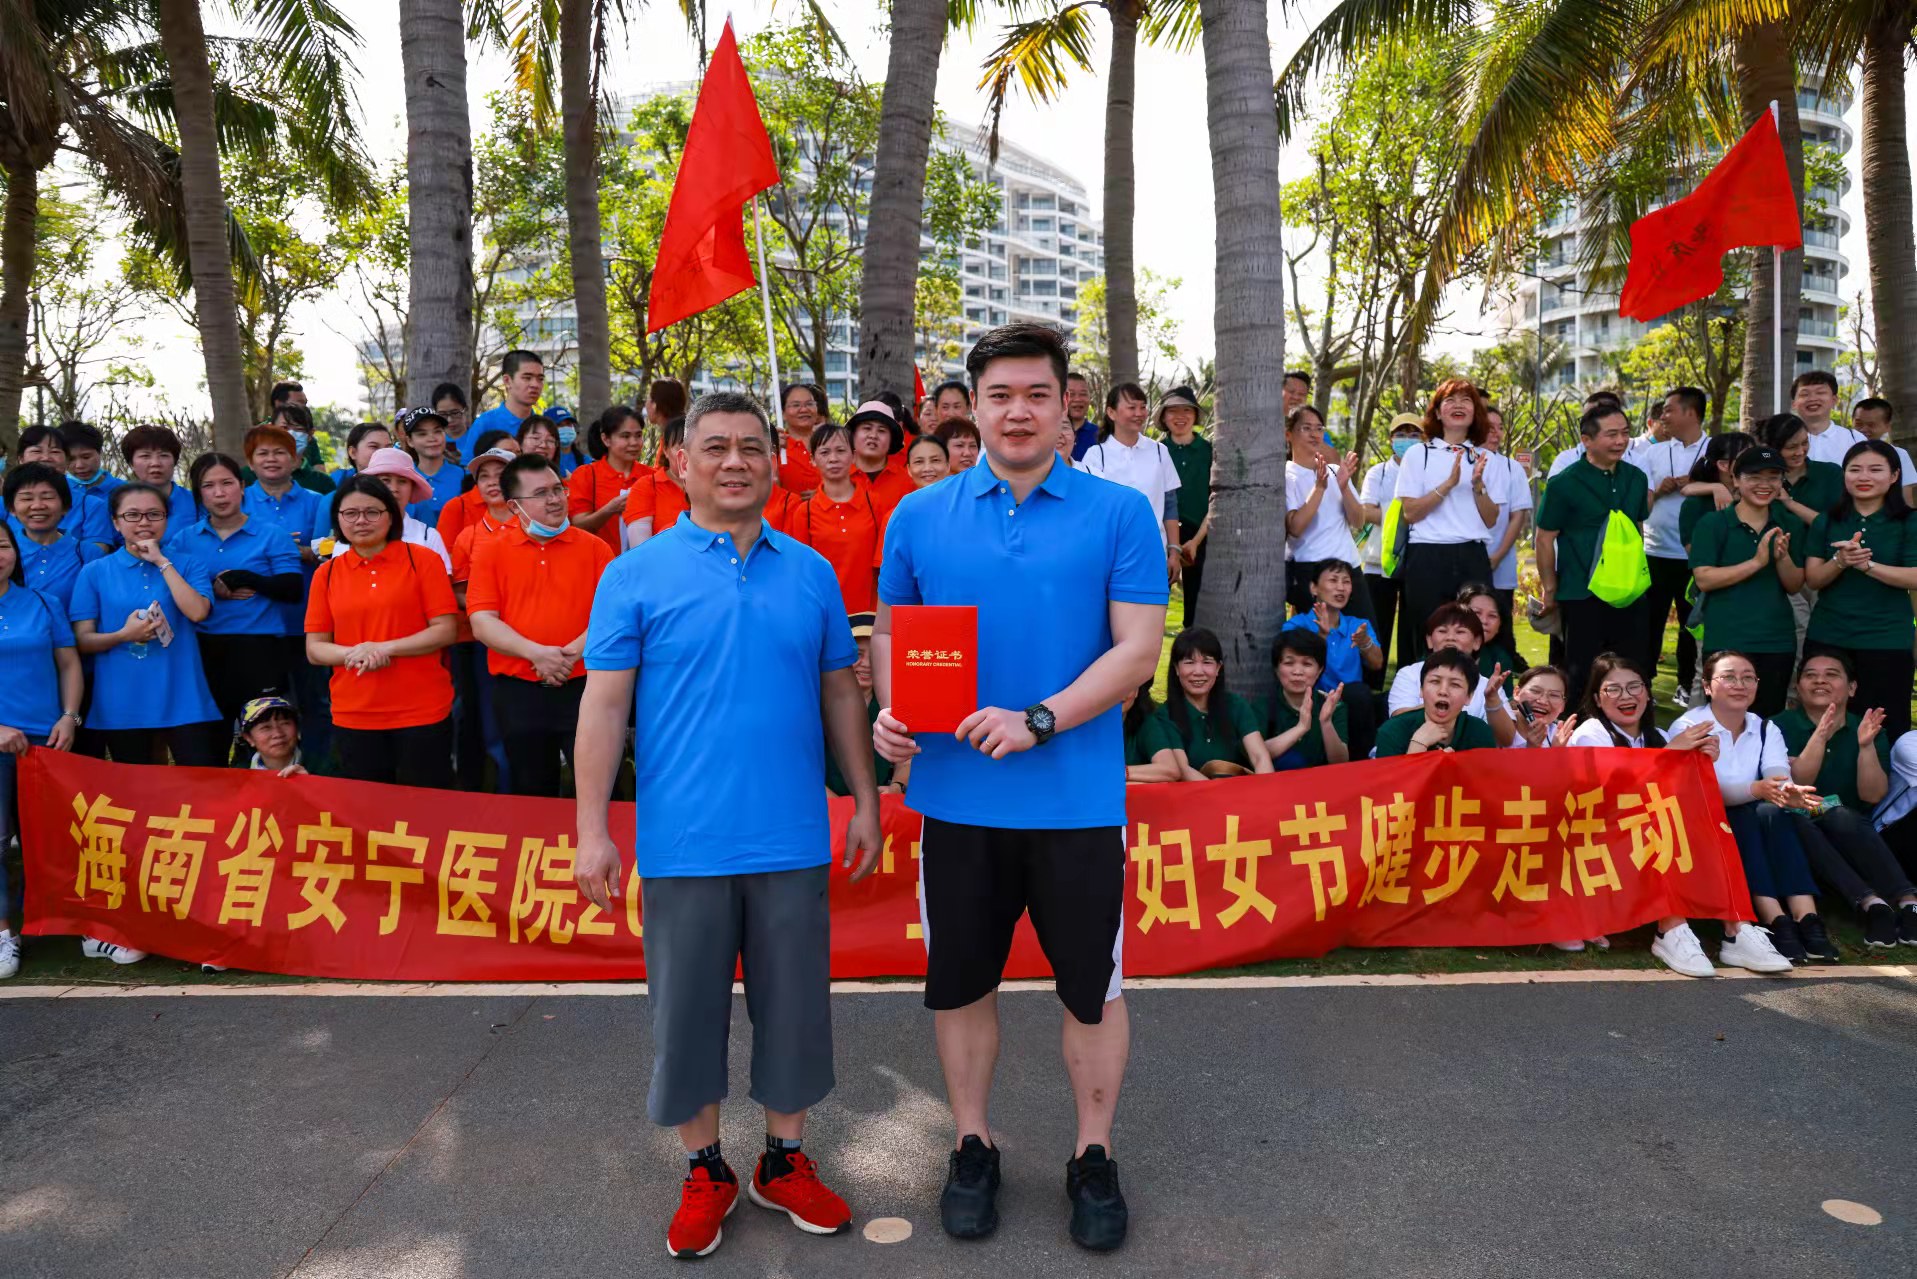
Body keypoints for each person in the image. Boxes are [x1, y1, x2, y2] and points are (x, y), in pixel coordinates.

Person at [872, 322, 1167, 1251]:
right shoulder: (919, 515)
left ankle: (1092, 1152)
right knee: (961, 983)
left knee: (1091, 988)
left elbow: (1136, 650)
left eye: (1037, 393)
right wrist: (889, 714)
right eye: (999, 395)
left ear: (1064, 405)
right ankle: (971, 1142)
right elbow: (894, 635)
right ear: (971, 406)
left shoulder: (1118, 513)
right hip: (956, 802)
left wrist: (1038, 718)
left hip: (1076, 801)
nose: (1017, 411)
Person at [573, 390, 879, 1259]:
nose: (734, 461)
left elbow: (839, 691)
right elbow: (604, 706)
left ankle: (783, 1159)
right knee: (686, 1015)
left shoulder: (811, 572)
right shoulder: (633, 573)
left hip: (791, 833)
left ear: (775, 461)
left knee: (795, 1009)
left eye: (751, 446)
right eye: (714, 447)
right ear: (679, 463)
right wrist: (591, 829)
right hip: (685, 841)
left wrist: (864, 797)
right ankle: (704, 1167)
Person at [1561, 653, 1793, 975]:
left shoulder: (1658, 735)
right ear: (1598, 699)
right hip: (1602, 840)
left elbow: (1682, 790)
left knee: (1711, 822)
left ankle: (1737, 929)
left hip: (1651, 833)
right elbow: (1612, 796)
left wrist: (1703, 762)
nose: (1626, 696)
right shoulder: (1591, 732)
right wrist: (1673, 754)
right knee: (1658, 822)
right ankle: (1670, 929)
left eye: (1634, 687)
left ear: (1647, 693)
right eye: (1613, 689)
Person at [1670, 650, 1834, 963]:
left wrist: (1788, 791)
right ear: (1707, 686)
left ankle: (1805, 918)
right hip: (1703, 818)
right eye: (1729, 677)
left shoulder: (1764, 727)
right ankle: (1775, 919)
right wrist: (1757, 789)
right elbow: (1703, 792)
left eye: (1748, 678)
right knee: (1750, 815)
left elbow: (1778, 776)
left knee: (1771, 811)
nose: (1740, 685)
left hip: (1757, 813)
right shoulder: (1689, 726)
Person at [467, 454, 614, 798]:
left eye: (557, 489)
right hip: (519, 691)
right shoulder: (491, 551)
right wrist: (536, 654)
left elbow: (613, 618)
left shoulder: (595, 548)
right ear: (514, 506)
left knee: (597, 788)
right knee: (531, 789)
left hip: (586, 686)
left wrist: (569, 655)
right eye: (541, 493)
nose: (555, 499)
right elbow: (482, 621)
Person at [304, 476, 459, 787]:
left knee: (428, 805)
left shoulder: (422, 560)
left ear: (391, 515)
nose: (361, 521)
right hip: (354, 712)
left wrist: (385, 648)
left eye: (372, 512)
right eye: (350, 513)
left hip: (421, 710)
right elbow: (315, 648)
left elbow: (445, 630)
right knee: (367, 808)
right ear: (337, 519)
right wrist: (357, 653)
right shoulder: (327, 574)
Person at [70, 483, 223, 766]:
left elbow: (198, 612)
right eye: (132, 515)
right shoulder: (95, 571)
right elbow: (82, 640)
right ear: (116, 522)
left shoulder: (188, 564)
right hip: (122, 699)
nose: (144, 522)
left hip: (183, 695)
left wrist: (162, 562)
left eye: (154, 514)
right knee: (136, 788)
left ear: (167, 519)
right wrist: (123, 635)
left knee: (200, 782)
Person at [1777, 652, 1917, 948]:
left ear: (1852, 688)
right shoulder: (1777, 727)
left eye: (1831, 674)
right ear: (1798, 687)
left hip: (1853, 830)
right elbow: (1798, 787)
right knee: (1807, 818)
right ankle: (1875, 905)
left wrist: (1865, 747)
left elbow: (1872, 795)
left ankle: (1908, 906)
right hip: (1797, 824)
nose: (1820, 681)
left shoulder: (1866, 727)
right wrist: (1820, 735)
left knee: (1838, 813)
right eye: (1810, 675)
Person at [0, 519, 85, 978]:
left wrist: (69, 716)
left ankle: (68, 924)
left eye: (2, 545)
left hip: (46, 740)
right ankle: (3, 932)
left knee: (54, 836)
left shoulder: (43, 602)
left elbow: (68, 663)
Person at [1534, 401, 1652, 699]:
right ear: (1586, 440)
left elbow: (1636, 528)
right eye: (1611, 434)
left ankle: (1630, 725)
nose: (1621, 440)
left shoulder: (1636, 478)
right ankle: (1580, 726)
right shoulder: (1564, 483)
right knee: (1581, 674)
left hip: (1629, 592)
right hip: (1581, 592)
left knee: (1632, 668)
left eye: (1625, 432)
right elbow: (1544, 538)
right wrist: (1550, 588)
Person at [181, 452, 303, 736]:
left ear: (242, 486)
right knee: (212, 739)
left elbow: (292, 589)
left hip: (260, 648)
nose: (219, 493)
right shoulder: (184, 539)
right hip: (205, 648)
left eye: (227, 483)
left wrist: (248, 579)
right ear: (198, 493)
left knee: (268, 738)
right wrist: (212, 589)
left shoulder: (271, 534)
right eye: (208, 485)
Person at [1802, 439, 1916, 740]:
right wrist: (1840, 561)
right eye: (1855, 470)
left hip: (1887, 638)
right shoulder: (1827, 520)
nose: (1864, 477)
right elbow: (1813, 579)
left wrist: (1868, 566)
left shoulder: (1909, 521)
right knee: (1823, 724)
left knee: (1885, 726)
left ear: (1894, 476)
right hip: (1829, 635)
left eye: (1875, 470)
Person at [1389, 380, 1502, 665]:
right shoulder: (1418, 454)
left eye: (1466, 400)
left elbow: (1491, 519)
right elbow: (1411, 513)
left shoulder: (1486, 458)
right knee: (1427, 633)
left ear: (1475, 412)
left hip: (1472, 555)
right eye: (1450, 400)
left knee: (1474, 635)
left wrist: (1477, 485)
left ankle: (1473, 689)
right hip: (1427, 555)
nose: (1458, 405)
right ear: (1438, 413)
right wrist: (1448, 485)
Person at [1688, 446, 1805, 717]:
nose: (1765, 485)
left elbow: (1795, 585)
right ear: (1736, 479)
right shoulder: (1713, 523)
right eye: (1754, 477)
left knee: (1767, 720)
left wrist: (1782, 558)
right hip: (1726, 638)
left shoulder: (1789, 523)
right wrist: (1756, 563)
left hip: (1776, 641)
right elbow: (1704, 579)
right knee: (1722, 719)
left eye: (1773, 477)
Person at [446, 445, 520, 792]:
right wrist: (491, 611)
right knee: (492, 728)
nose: (492, 482)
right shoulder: (469, 536)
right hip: (485, 645)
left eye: (500, 475)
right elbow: (459, 592)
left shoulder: (537, 528)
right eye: (483, 476)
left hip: (539, 642)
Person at [1638, 387, 1711, 707]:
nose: (1663, 416)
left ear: (1691, 413)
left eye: (1669, 410)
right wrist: (1659, 489)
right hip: (1655, 551)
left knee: (1690, 624)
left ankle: (1687, 683)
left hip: (1695, 554)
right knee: (1649, 623)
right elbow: (1641, 504)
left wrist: (1696, 485)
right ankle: (1644, 682)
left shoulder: (1713, 450)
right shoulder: (1652, 454)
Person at [1080, 383, 1182, 580]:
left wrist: (1174, 552)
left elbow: (1170, 505)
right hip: (1109, 558)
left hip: (1153, 553)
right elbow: (1087, 510)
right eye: (1131, 407)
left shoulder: (1159, 451)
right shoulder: (1096, 455)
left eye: (1142, 407)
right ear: (1111, 412)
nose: (1139, 413)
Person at [1281, 560, 1381, 758]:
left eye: (1346, 581)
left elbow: (1377, 663)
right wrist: (1321, 637)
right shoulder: (1296, 625)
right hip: (1312, 699)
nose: (1341, 587)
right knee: (1359, 695)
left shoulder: (1358, 625)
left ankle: (1367, 759)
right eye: (1333, 580)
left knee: (1373, 699)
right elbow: (1294, 667)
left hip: (1351, 702)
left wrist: (1365, 643)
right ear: (1314, 588)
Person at [786, 422, 885, 615]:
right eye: (824, 452)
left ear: (853, 456)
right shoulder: (804, 513)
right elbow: (800, 571)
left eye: (841, 451)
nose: (833, 459)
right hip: (823, 614)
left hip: (869, 614)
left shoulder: (875, 504)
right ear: (813, 459)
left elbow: (885, 567)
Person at [1385, 603, 1518, 746]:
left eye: (1460, 632)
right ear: (1429, 640)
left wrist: (1492, 700)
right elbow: (1400, 720)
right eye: (1442, 631)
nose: (1450, 638)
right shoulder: (1409, 674)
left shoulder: (1487, 685)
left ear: (1477, 642)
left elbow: (1506, 739)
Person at [1282, 404, 1370, 620]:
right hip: (1312, 569)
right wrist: (1319, 488)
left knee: (1363, 635)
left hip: (1349, 567)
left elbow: (1359, 521)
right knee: (1317, 638)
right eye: (1306, 428)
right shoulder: (1285, 475)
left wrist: (1344, 488)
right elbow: (1295, 528)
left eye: (1319, 428)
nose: (1315, 434)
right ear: (1288, 434)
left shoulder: (1336, 471)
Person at [1359, 414, 1426, 682]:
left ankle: (1408, 684)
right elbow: (1366, 511)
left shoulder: (1426, 471)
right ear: (1390, 439)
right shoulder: (1379, 472)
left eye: (1414, 434)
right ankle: (1372, 685)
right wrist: (1406, 513)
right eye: (1401, 434)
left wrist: (1396, 512)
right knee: (1377, 625)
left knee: (1412, 627)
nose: (1406, 440)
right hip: (1379, 560)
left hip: (1416, 560)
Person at [1160, 626, 1274, 778]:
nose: (1198, 671)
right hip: (1193, 791)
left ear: (1218, 668)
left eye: (1207, 662)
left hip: (1239, 789)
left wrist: (1265, 787)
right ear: (1176, 668)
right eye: (1189, 662)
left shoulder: (1236, 705)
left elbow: (1260, 757)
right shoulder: (1165, 715)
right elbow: (1184, 770)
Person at [6, 461, 103, 612]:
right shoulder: (5, 552)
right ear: (12, 508)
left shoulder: (88, 554)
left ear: (65, 506)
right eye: (27, 498)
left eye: (48, 497)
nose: (37, 506)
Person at [344, 447, 454, 570]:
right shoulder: (351, 536)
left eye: (402, 481)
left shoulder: (428, 537)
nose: (394, 489)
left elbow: (442, 580)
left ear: (412, 488)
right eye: (385, 480)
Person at [1372, 648, 1497, 755]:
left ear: (1469, 697)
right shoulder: (1392, 732)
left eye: (1455, 685)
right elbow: (1389, 777)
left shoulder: (1480, 733)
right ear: (1421, 690)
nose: (1443, 691)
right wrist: (1418, 745)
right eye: (1435, 682)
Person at [1156, 387, 1211, 626]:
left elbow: (1216, 498)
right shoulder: (1155, 451)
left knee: (1195, 614)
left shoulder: (1209, 451)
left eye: (1187, 410)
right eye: (1173, 410)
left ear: (1196, 415)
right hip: (1161, 534)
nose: (1180, 416)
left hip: (1199, 536)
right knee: (1153, 607)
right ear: (1163, 416)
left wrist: (1196, 541)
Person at [828, 612, 899, 795]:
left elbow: (907, 759)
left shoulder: (894, 704)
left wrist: (897, 787)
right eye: (857, 655)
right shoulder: (816, 704)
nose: (867, 664)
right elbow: (799, 762)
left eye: (875, 656)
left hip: (881, 806)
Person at [570, 405, 655, 555]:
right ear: (606, 439)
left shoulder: (652, 477)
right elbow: (578, 525)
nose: (634, 442)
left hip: (643, 563)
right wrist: (609, 510)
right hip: (600, 563)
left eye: (638, 435)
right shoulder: (586, 475)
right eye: (625, 436)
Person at [1480, 408, 1533, 643]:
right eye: (1489, 428)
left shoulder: (1512, 468)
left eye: (1500, 428)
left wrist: (1497, 557)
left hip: (1501, 565)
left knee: (1499, 628)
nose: (1496, 434)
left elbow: (1517, 516)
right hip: (1465, 562)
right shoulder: (1462, 460)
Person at [16, 424, 113, 551]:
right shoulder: (3, 505)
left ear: (65, 460)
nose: (46, 458)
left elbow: (96, 553)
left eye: (55, 452)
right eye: (37, 451)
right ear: (21, 459)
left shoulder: (91, 505)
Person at [1263, 629, 1349, 769]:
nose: (1297, 672)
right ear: (1277, 669)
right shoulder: (1263, 706)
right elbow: (1255, 754)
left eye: (1307, 664)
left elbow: (1341, 762)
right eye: (1289, 663)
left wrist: (1326, 723)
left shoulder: (1333, 706)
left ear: (1319, 670)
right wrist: (1301, 727)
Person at [397, 406, 466, 530]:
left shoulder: (463, 476)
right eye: (422, 434)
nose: (432, 438)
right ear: (410, 441)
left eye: (437, 431)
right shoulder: (404, 481)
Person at [464, 351, 544, 457]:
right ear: (507, 381)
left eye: (540, 379)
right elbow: (469, 465)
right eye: (527, 378)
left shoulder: (544, 427)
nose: (535, 385)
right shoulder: (485, 424)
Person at [118, 424, 198, 528]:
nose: (155, 463)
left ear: (175, 461)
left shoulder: (197, 503)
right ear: (131, 464)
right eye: (145, 456)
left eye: (163, 455)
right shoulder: (119, 504)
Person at [846, 401, 916, 517]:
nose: (873, 435)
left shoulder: (906, 482)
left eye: (881, 431)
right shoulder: (839, 476)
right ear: (853, 435)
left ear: (891, 440)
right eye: (867, 428)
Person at [1789, 370, 1864, 467]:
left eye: (1820, 392)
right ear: (1794, 404)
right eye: (1804, 394)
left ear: (1834, 400)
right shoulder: (1780, 439)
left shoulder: (1855, 439)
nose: (1812, 398)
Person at [1849, 397, 1915, 506]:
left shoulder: (1899, 454)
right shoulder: (1842, 450)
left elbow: (1906, 498)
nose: (1863, 429)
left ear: (1887, 427)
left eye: (1871, 425)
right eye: (1859, 424)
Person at [267, 404, 337, 494]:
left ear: (310, 435)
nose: (291, 434)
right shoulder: (253, 476)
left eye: (299, 429)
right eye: (284, 428)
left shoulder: (323, 483)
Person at [1121, 682, 1180, 783]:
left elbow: (1170, 770)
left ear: (1136, 692)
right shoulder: (1091, 722)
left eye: (1127, 687)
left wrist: (1119, 773)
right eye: (1113, 688)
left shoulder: (1145, 721)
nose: (1120, 695)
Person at [236, 695, 308, 776]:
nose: (278, 734)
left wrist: (311, 781)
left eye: (285, 723)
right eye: (266, 727)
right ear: (249, 738)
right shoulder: (238, 774)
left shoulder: (318, 767)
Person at [1507, 665, 1577, 749]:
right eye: (1535, 691)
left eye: (1554, 695)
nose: (1543, 701)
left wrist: (1556, 752)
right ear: (1517, 693)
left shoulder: (1563, 739)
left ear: (1563, 705)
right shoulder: (1498, 727)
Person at [1459, 582, 1519, 679]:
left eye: (1492, 616)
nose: (1484, 621)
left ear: (1500, 625)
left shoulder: (1500, 659)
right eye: (1477, 612)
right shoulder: (1440, 650)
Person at [778, 382, 829, 495]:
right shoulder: (777, 447)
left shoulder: (831, 442)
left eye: (809, 404)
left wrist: (825, 494)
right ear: (783, 413)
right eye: (796, 405)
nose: (804, 409)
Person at [59, 421, 124, 504]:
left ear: (100, 452)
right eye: (70, 459)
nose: (79, 465)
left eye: (86, 457)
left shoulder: (125, 491)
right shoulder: (57, 491)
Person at [331, 422, 393, 487]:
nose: (383, 452)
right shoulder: (337, 482)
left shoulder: (398, 485)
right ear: (353, 452)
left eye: (388, 447)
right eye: (374, 446)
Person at [431, 382, 471, 458]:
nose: (449, 420)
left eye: (455, 413)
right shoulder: (432, 443)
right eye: (443, 414)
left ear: (465, 410)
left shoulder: (478, 438)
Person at [549, 405, 589, 476]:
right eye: (559, 425)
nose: (565, 428)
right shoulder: (544, 460)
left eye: (568, 424)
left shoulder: (586, 461)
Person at [1066, 371, 1098, 459]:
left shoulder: (1100, 435)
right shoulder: (1049, 434)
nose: (1078, 399)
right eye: (1071, 394)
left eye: (1083, 394)